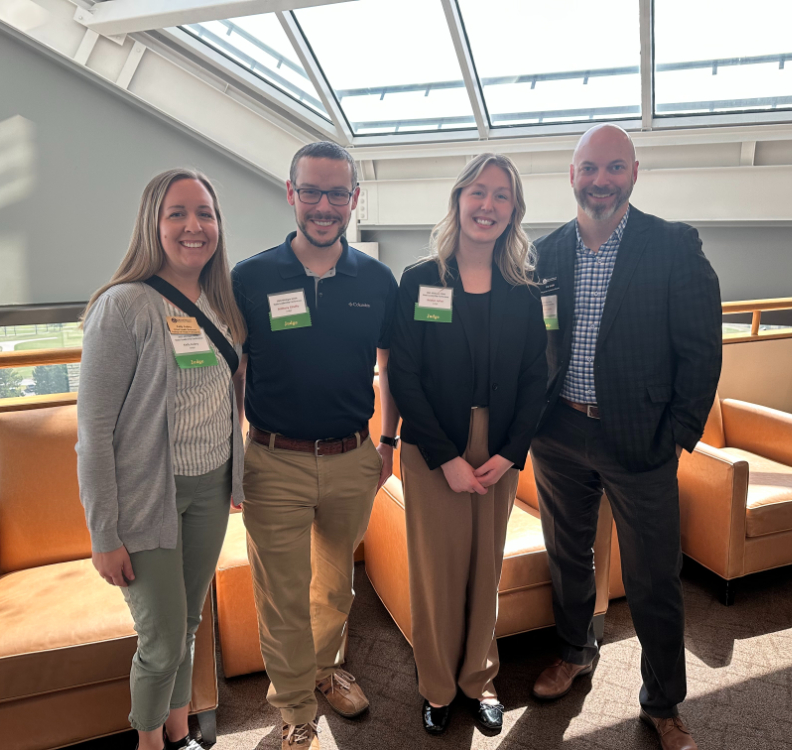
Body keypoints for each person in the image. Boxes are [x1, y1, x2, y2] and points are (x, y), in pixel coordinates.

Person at [528, 124, 722, 750]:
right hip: (558, 434)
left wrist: (677, 436)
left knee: (653, 577)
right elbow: (534, 343)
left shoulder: (673, 245)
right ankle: (574, 652)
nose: (601, 180)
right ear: (573, 176)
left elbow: (701, 351)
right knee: (567, 554)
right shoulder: (545, 253)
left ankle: (662, 704)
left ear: (633, 173)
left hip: (640, 439)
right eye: (590, 168)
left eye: (614, 168)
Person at [231, 141, 399, 750]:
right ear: (291, 193)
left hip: (353, 458)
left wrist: (387, 442)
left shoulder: (377, 280)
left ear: (354, 199)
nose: (324, 206)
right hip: (273, 460)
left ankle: (326, 670)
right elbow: (232, 373)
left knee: (333, 588)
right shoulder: (250, 278)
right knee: (280, 597)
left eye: (337, 193)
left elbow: (392, 367)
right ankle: (295, 708)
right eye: (312, 191)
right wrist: (230, 460)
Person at [76, 168, 246, 750]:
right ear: (153, 222)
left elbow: (226, 396)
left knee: (191, 623)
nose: (194, 226)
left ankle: (179, 731)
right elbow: (93, 432)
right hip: (148, 496)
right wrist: (104, 533)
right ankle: (150, 743)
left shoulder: (224, 304)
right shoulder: (122, 307)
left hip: (211, 488)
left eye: (205, 213)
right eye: (177, 213)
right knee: (163, 638)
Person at [389, 154, 548, 735]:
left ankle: (479, 680)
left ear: (514, 211)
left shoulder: (523, 289)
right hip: (434, 445)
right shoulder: (419, 280)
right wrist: (446, 458)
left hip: (500, 444)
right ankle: (435, 686)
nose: (488, 205)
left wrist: (509, 454)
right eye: (478, 192)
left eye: (501, 196)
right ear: (458, 200)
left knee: (487, 568)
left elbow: (537, 378)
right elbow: (404, 376)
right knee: (436, 572)